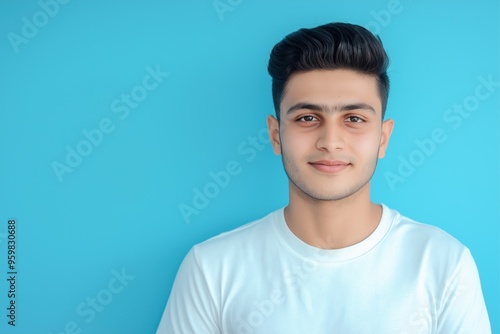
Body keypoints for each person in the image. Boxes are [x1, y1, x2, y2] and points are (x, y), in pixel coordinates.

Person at [156, 22, 491, 333]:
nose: (330, 141)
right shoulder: (212, 268)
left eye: (354, 119)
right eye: (307, 117)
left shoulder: (443, 263)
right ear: (275, 135)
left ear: (383, 138)